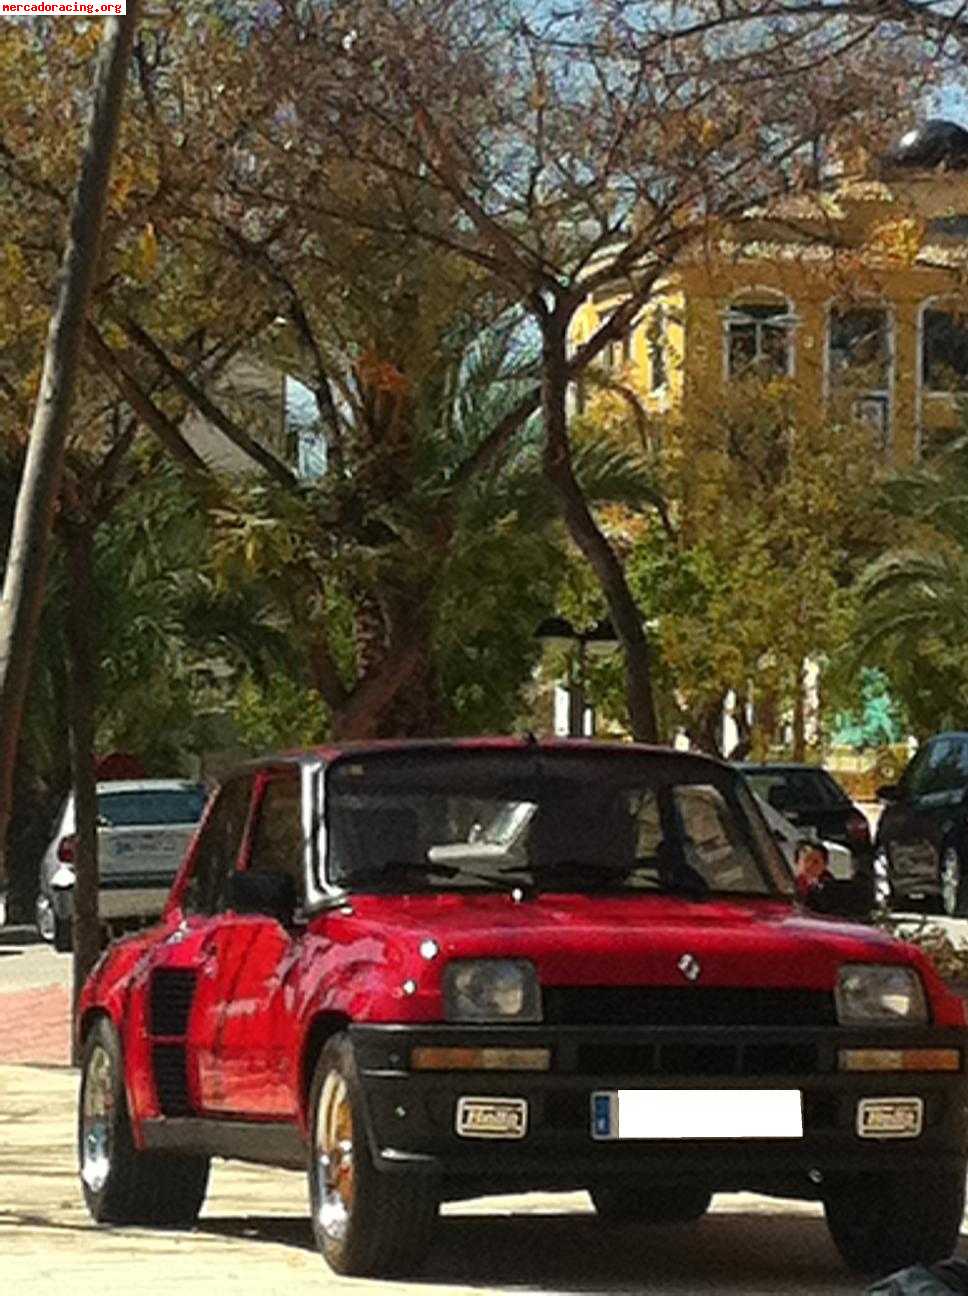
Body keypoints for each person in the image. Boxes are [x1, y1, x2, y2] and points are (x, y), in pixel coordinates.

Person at [794, 839, 874, 919]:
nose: (809, 865)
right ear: (797, 862)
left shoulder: (833, 889)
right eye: (806, 860)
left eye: (816, 862)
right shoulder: (790, 886)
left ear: (825, 864)